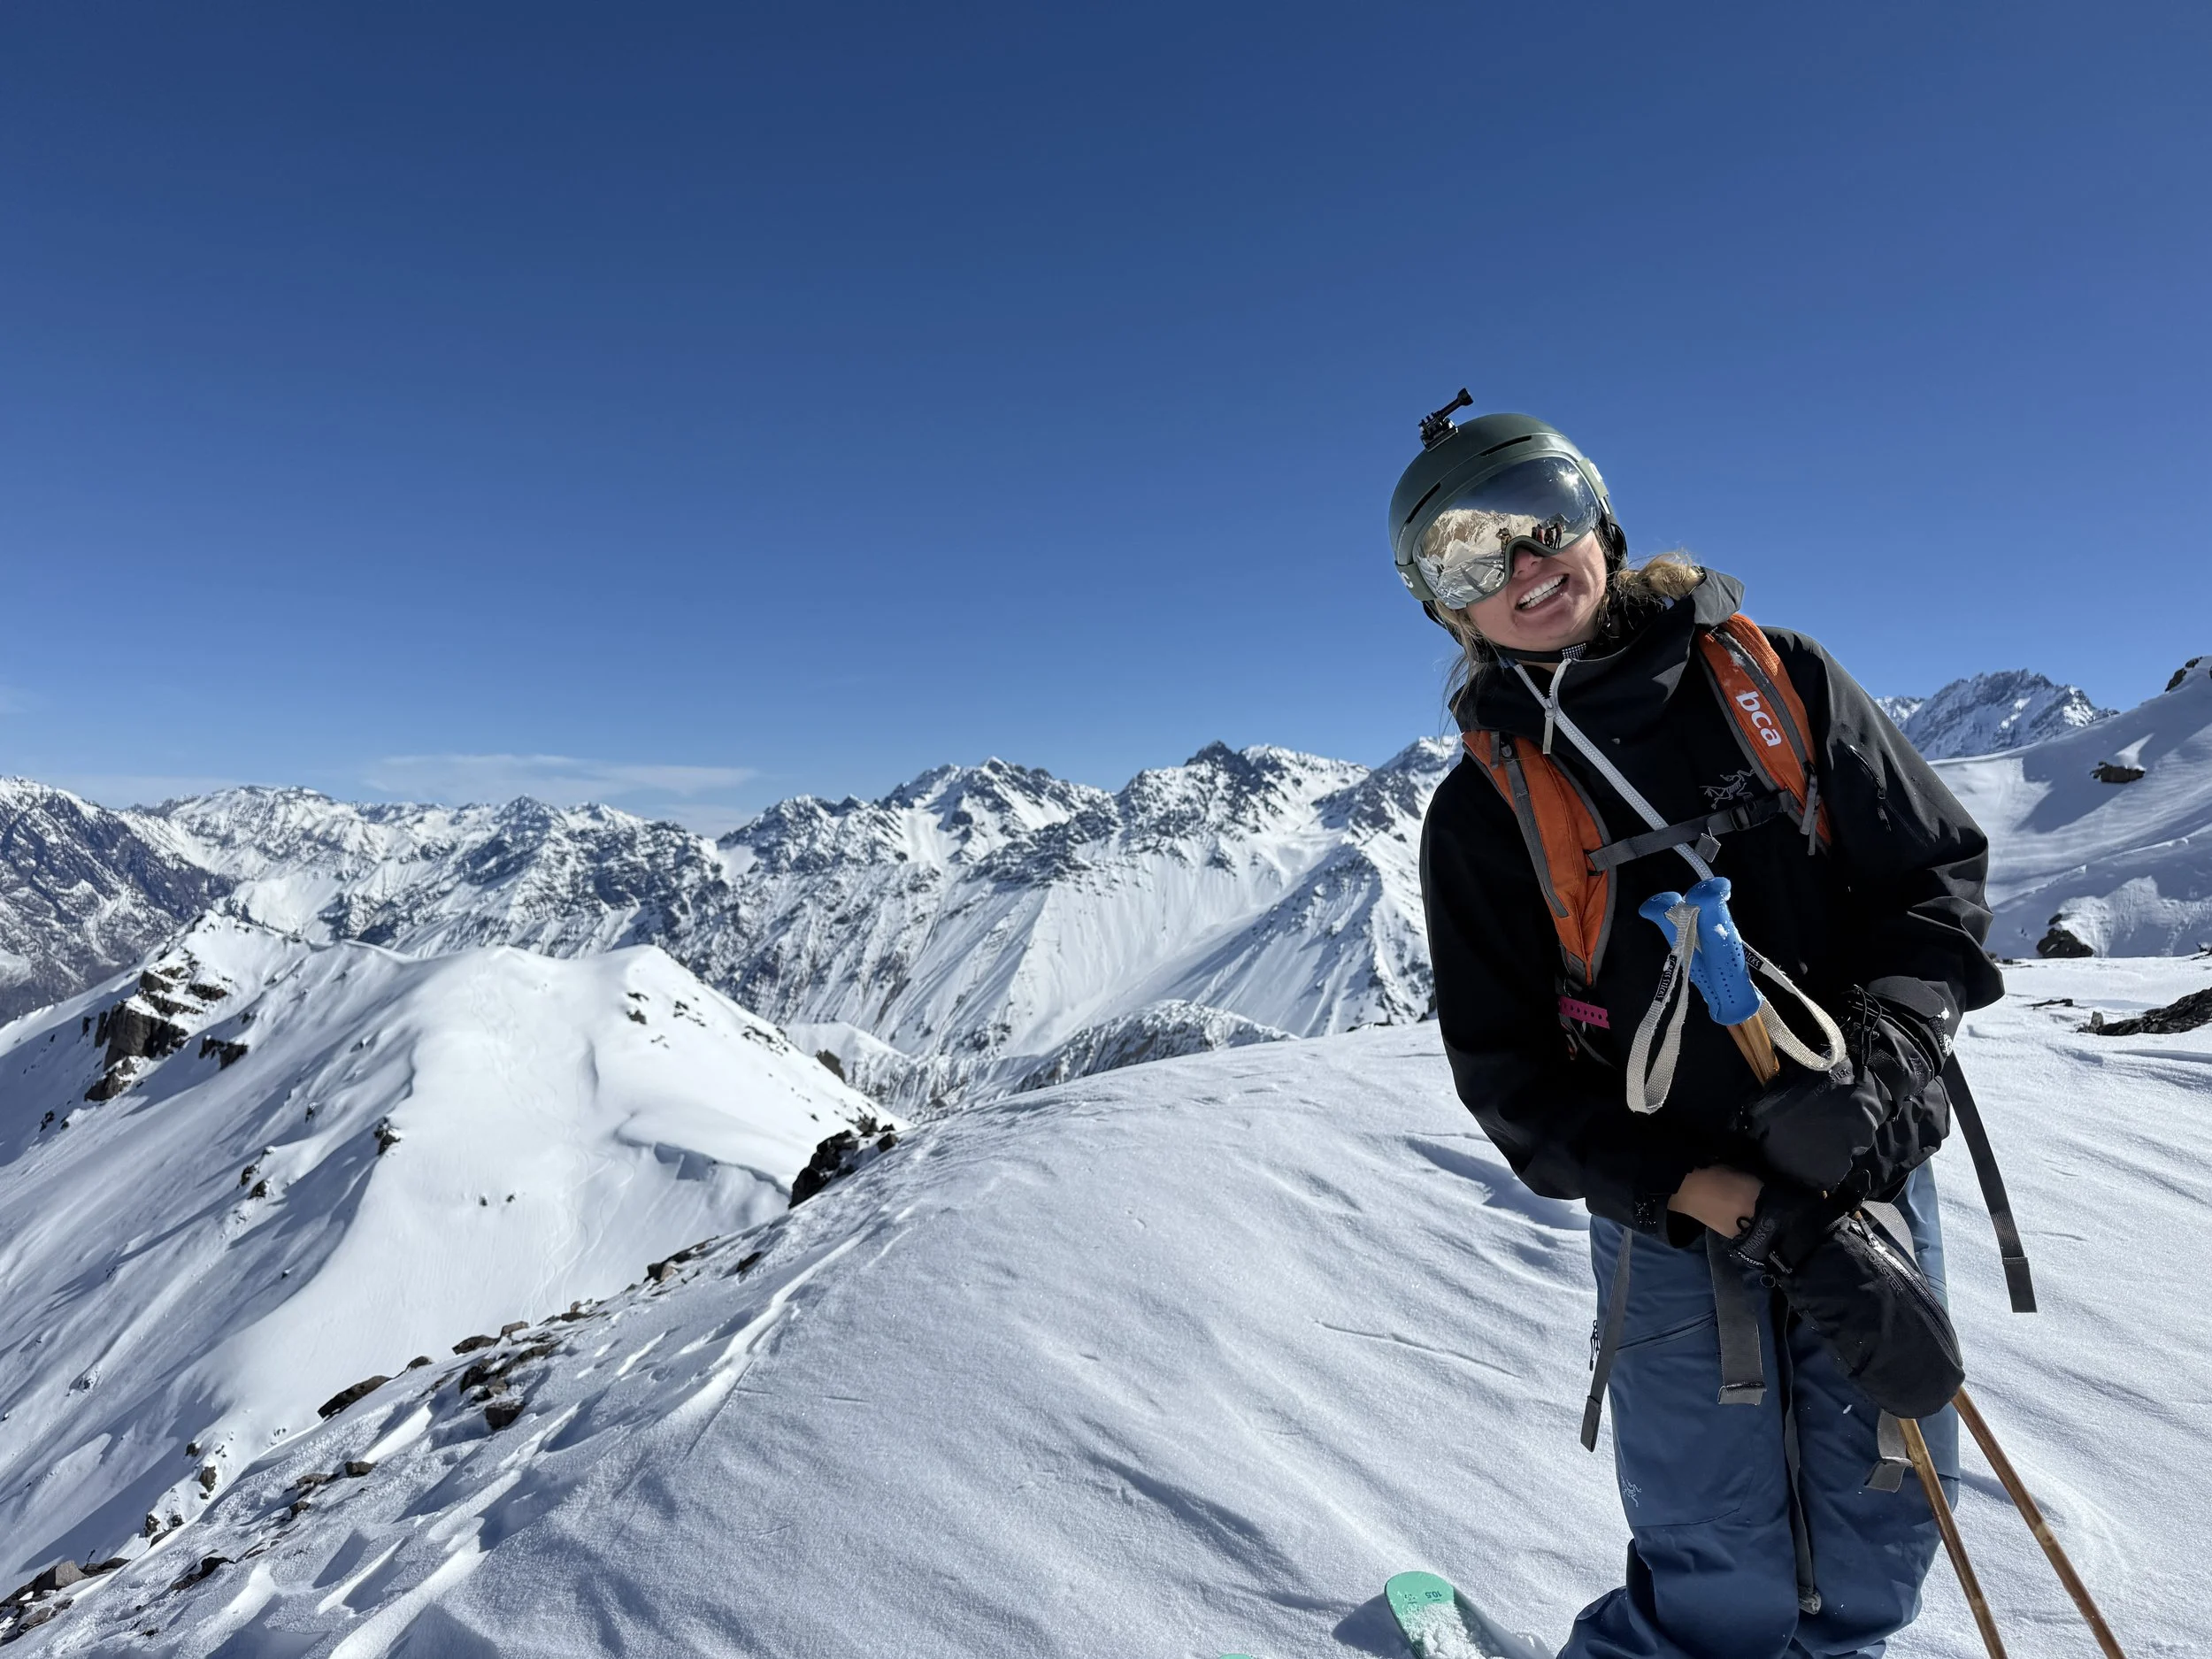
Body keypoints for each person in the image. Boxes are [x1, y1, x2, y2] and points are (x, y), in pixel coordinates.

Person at [1397, 400, 2003, 1657]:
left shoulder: (1779, 683)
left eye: (1539, 518)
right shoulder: (1482, 811)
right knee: (1717, 1558)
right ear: (1441, 605)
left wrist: (1883, 1070)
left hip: (1863, 1163)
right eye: (1467, 557)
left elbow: (1931, 887)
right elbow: (1510, 1078)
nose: (1520, 569)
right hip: (1676, 1211)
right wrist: (1710, 1191)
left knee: (1884, 1520)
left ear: (1599, 517)